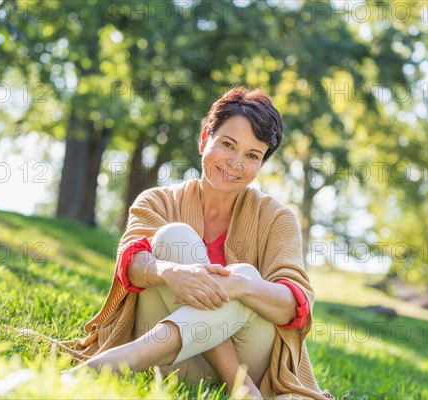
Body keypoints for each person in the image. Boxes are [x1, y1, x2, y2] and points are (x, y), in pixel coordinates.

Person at [59, 87, 333, 399]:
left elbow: (294, 306)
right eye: (227, 144)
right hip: (174, 362)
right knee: (174, 237)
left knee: (246, 274)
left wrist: (241, 287)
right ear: (205, 139)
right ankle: (241, 390)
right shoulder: (158, 201)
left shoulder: (277, 218)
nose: (235, 163)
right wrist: (168, 272)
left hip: (249, 363)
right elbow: (130, 266)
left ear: (261, 165)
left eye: (252, 155)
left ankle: (118, 362)